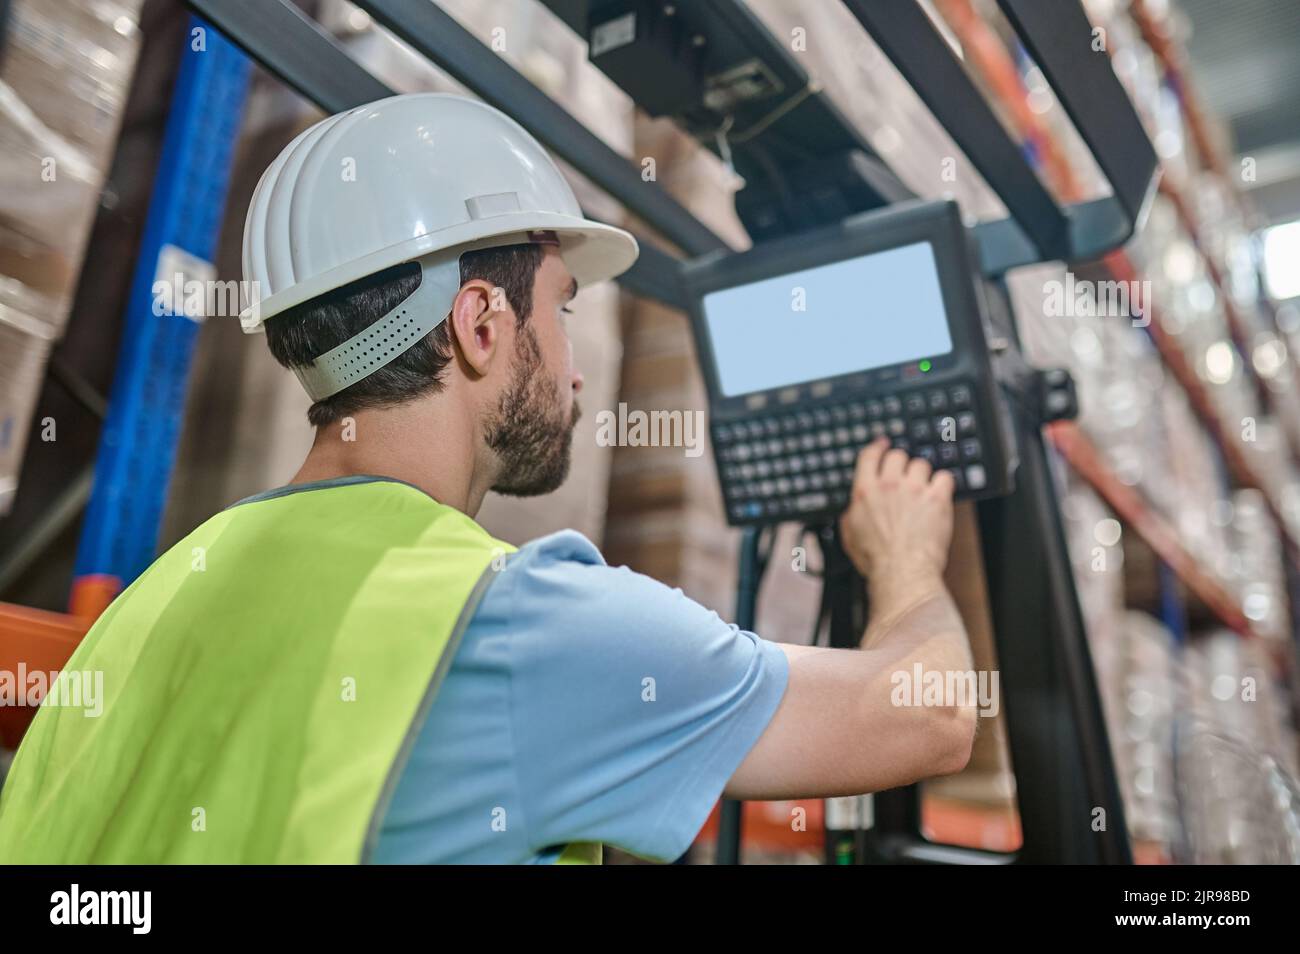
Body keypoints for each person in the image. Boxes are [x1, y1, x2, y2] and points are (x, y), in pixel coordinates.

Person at [0, 94, 974, 864]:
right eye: (562, 308)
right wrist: (905, 557)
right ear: (478, 326)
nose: (578, 365)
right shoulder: (521, 621)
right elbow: (925, 714)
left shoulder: (158, 596)